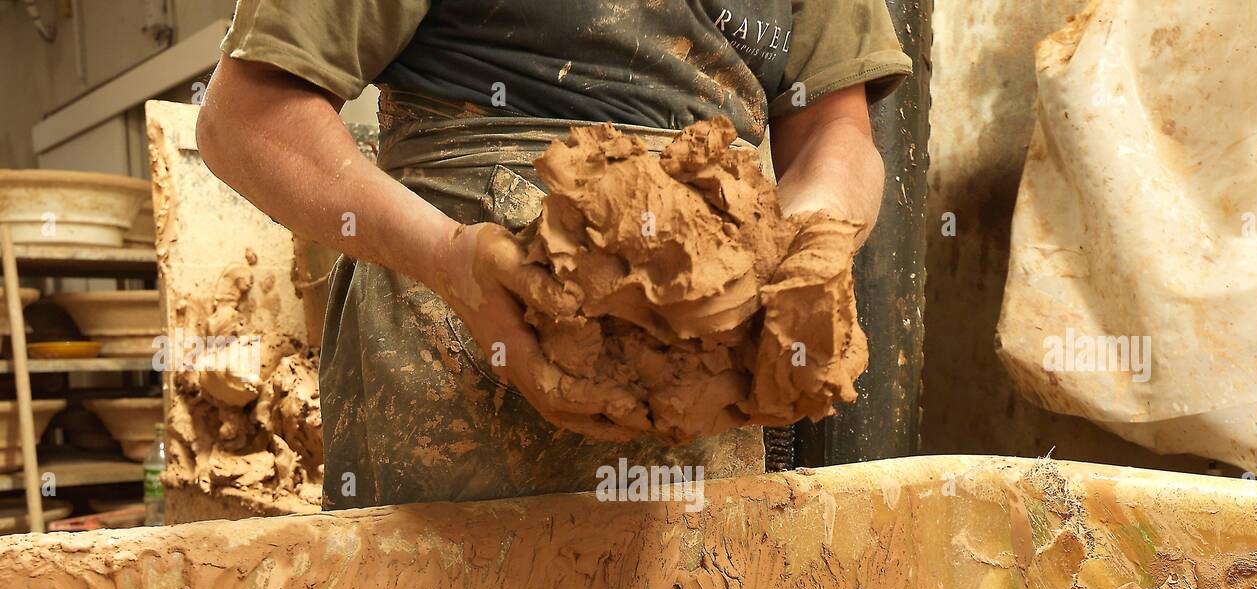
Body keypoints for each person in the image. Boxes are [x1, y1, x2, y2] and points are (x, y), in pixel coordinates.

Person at [197, 1, 912, 508]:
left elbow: (831, 127)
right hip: (464, 337)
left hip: (711, 370)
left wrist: (811, 248)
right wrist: (449, 259)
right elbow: (247, 119)